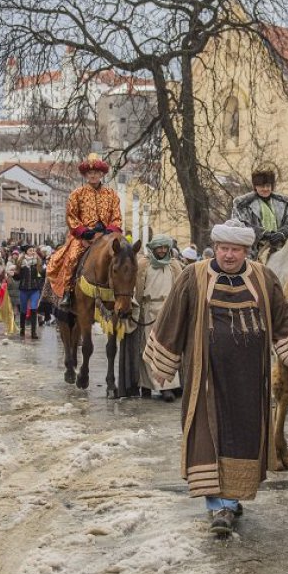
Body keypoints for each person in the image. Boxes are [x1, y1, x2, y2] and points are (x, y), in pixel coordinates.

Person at [143, 220, 288, 536]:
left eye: (235, 250)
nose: (228, 255)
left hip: (249, 380)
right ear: (215, 248)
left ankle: (231, 499)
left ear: (246, 251)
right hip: (206, 378)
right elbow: (172, 317)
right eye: (223, 248)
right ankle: (219, 507)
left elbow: (283, 315)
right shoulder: (193, 276)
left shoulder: (263, 277)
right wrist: (163, 364)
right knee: (208, 437)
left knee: (242, 438)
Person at [47, 154, 123, 307]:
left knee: (123, 256)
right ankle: (68, 292)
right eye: (90, 173)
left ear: (101, 174)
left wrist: (108, 231)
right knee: (72, 256)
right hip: (83, 237)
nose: (93, 175)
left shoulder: (112, 195)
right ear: (86, 175)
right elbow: (71, 216)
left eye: (96, 172)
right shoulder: (76, 194)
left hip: (106, 236)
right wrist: (84, 232)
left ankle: (124, 293)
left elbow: (117, 217)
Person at [134, 235, 183, 401]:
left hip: (168, 310)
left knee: (167, 348)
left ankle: (167, 387)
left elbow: (180, 288)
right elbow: (138, 289)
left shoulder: (173, 265)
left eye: (165, 247)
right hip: (148, 309)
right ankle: (146, 385)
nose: (162, 250)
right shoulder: (143, 264)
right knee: (148, 348)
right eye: (159, 247)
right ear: (153, 248)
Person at [231, 168, 288, 259]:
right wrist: (263, 234)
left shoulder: (285, 203)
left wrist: (282, 233)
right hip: (252, 253)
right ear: (255, 187)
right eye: (262, 186)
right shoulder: (242, 204)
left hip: (283, 252)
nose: (265, 189)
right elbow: (239, 225)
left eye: (268, 186)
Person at [16, 246, 46, 339]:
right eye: (30, 250)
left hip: (34, 289)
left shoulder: (38, 262)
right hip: (23, 289)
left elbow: (42, 274)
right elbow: (17, 277)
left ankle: (34, 332)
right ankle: (22, 330)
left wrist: (45, 271)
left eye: (33, 250)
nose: (32, 252)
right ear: (26, 252)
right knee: (23, 310)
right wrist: (13, 275)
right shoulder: (21, 262)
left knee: (34, 309)